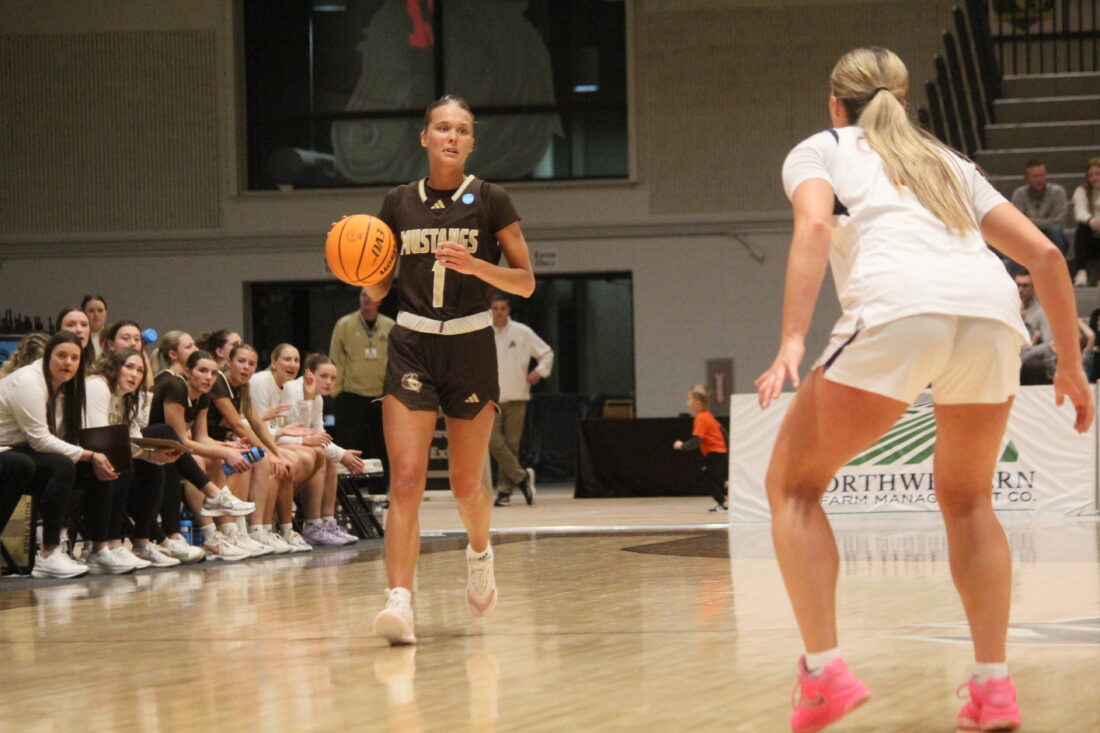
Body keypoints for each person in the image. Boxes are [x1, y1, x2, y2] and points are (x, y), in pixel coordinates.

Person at [755, 47, 1092, 733]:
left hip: (900, 310)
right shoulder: (948, 161)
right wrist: (1069, 364)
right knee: (969, 501)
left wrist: (791, 339)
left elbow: (814, 226)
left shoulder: (821, 149)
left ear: (835, 104)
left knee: (793, 487)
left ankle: (823, 676)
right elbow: (1046, 255)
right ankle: (993, 689)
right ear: (903, 103)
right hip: (992, 316)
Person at [366, 94, 536, 646]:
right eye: (443, 127)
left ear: (472, 142)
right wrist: (358, 266)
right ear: (425, 137)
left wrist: (478, 265)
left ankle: (480, 554)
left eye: (462, 129)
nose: (452, 136)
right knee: (406, 480)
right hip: (412, 343)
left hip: (470, 344)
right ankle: (399, 599)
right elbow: (378, 287)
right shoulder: (397, 202)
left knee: (467, 486)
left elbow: (526, 281)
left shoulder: (491, 200)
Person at [0, 332, 114, 578]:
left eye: (74, 358)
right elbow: (40, 440)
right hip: (6, 450)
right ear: (47, 357)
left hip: (21, 451)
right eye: (61, 355)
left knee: (99, 468)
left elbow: (59, 439)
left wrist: (94, 459)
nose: (68, 362)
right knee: (49, 465)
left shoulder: (67, 388)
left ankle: (100, 548)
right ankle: (49, 553)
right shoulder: (29, 382)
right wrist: (91, 454)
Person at [282, 353, 365, 546]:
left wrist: (342, 454)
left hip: (298, 444)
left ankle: (327, 522)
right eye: (324, 376)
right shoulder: (292, 389)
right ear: (310, 374)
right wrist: (342, 455)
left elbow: (319, 435)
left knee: (328, 457)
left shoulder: (317, 398)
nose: (329, 382)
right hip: (284, 443)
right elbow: (295, 431)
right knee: (320, 453)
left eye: (333, 378)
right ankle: (312, 525)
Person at [488, 292, 551, 507]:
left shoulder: (522, 332)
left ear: (509, 310)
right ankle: (522, 477)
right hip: (491, 398)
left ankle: (504, 492)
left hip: (517, 395)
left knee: (512, 445)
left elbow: (547, 353)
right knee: (493, 441)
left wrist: (539, 372)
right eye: (495, 308)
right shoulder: (483, 332)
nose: (499, 312)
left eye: (502, 308)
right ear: (490, 310)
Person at [329, 287, 393, 473]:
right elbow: (336, 358)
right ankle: (349, 487)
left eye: (371, 295)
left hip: (381, 396)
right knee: (349, 444)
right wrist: (336, 391)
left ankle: (381, 488)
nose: (366, 298)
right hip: (351, 395)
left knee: (381, 446)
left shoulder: (390, 326)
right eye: (363, 294)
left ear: (380, 300)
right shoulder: (344, 324)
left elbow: (397, 360)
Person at [672, 385, 728, 512]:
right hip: (717, 454)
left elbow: (697, 440)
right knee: (713, 479)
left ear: (697, 402)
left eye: (689, 399)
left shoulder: (701, 418)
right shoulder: (707, 415)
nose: (687, 402)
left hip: (716, 454)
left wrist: (682, 445)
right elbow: (723, 431)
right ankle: (724, 501)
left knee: (707, 479)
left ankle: (725, 503)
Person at [1011, 159, 1069, 256]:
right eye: (1035, 177)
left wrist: (1029, 220)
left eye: (1042, 175)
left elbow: (1057, 221)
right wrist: (1047, 220)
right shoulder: (1019, 194)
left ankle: (1057, 264)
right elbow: (1018, 222)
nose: (1039, 180)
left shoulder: (1057, 192)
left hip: (1053, 236)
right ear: (1026, 179)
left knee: (1054, 229)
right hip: (1028, 236)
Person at [1015, 269, 1056, 385]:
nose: (1020, 290)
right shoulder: (1010, 308)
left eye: (1025, 286)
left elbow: (1049, 344)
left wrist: (1024, 356)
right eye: (1017, 285)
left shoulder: (1042, 312)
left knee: (1033, 365)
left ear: (1034, 288)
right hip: (1010, 353)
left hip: (1031, 361)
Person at [1071, 157, 1100, 286]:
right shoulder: (1081, 191)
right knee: (1081, 229)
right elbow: (1079, 211)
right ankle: (1081, 272)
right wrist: (1091, 220)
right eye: (1091, 175)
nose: (1094, 178)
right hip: (1091, 237)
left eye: (1098, 174)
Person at [81, 295, 108, 359]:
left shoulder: (114, 336)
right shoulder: (79, 338)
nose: (96, 314)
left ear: (106, 313)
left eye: (100, 310)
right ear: (83, 313)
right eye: (91, 311)